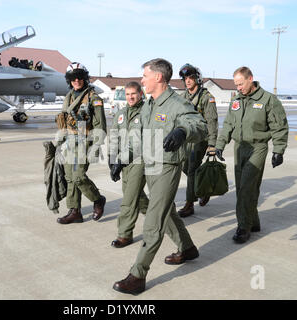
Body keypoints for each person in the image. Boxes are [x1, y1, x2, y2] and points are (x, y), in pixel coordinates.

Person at [113, 58, 208, 295]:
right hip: (149, 165)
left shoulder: (176, 104)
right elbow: (140, 137)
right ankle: (187, 249)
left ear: (158, 77)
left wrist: (182, 130)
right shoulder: (149, 105)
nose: (142, 79)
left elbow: (200, 124)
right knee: (167, 213)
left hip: (167, 167)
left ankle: (137, 275)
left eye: (145, 75)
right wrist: (123, 158)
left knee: (154, 221)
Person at [215, 66, 289, 244]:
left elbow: (279, 126)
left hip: (258, 147)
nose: (238, 88)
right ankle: (254, 222)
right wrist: (219, 144)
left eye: (240, 84)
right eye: (236, 85)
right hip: (240, 148)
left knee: (246, 187)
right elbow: (229, 124)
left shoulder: (268, 100)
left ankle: (243, 227)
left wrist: (278, 150)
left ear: (251, 79)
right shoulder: (236, 100)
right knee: (243, 186)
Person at [55, 62, 107, 224]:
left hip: (86, 143)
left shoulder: (94, 98)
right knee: (70, 177)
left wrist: (96, 147)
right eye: (73, 78)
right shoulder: (69, 97)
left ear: (84, 78)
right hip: (70, 143)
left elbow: (100, 126)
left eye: (79, 77)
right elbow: (64, 121)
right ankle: (74, 211)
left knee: (78, 176)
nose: (76, 80)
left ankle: (98, 199)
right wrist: (58, 142)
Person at [108, 81, 149, 248]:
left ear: (140, 94)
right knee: (136, 196)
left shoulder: (147, 112)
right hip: (125, 161)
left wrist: (120, 160)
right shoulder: (121, 113)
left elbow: (138, 143)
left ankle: (124, 235)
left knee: (129, 199)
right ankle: (162, 216)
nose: (130, 97)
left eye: (133, 94)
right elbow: (114, 136)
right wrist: (112, 158)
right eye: (127, 94)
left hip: (141, 160)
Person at [178, 63, 218, 218]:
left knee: (192, 168)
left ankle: (189, 204)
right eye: (186, 78)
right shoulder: (182, 98)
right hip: (187, 139)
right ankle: (204, 189)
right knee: (184, 166)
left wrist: (212, 144)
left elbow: (212, 121)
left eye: (191, 77)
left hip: (201, 138)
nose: (188, 81)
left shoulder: (206, 98)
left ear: (197, 79)